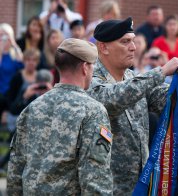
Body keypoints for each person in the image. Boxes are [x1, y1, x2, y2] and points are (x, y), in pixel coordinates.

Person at [87, 17, 178, 194]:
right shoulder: (90, 80)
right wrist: (162, 71)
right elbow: (113, 98)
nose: (133, 47)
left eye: (133, 41)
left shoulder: (134, 79)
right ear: (103, 47)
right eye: (125, 42)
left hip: (141, 186)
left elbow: (168, 100)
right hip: (107, 189)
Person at [7, 38, 113, 195]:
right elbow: (95, 177)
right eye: (92, 66)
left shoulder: (32, 108)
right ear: (85, 67)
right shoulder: (93, 111)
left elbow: (15, 169)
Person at [0, 23, 23, 118]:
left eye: (5, 35)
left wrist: (13, 42)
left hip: (12, 91)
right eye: (1, 35)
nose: (3, 38)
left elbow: (21, 65)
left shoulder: (15, 53)